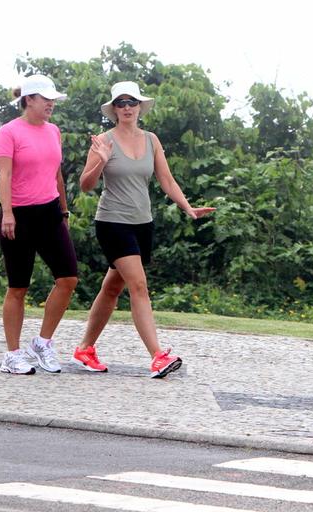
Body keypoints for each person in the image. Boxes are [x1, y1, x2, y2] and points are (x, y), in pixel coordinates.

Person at [74, 81, 216, 378]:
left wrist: (187, 207)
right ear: (114, 109)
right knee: (138, 286)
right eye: (121, 103)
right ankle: (157, 356)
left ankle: (85, 348)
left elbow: (166, 179)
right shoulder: (104, 141)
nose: (127, 107)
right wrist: (100, 161)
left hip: (142, 224)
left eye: (132, 102)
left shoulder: (152, 140)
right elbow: (86, 186)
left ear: (140, 107)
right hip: (112, 222)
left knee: (113, 287)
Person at [0, 74, 78, 375]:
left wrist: (64, 213)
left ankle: (42, 343)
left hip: (50, 213)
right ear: (29, 99)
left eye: (53, 99)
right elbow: (4, 176)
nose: (51, 104)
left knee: (68, 279)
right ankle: (12, 354)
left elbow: (57, 175)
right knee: (18, 287)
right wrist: (8, 214)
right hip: (18, 216)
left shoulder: (54, 131)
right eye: (46, 99)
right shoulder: (9, 132)